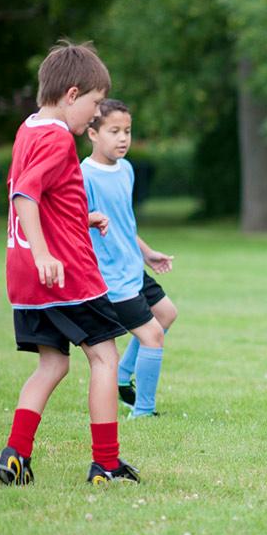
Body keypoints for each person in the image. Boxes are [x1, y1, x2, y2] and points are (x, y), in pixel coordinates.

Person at [0, 41, 139, 486]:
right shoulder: (58, 139)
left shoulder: (28, 129)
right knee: (104, 357)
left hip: (25, 277)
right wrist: (44, 251)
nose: (95, 117)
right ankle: (107, 464)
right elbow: (25, 195)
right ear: (72, 95)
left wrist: (81, 215)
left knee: (53, 364)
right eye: (94, 105)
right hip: (64, 272)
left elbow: (40, 192)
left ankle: (15, 454)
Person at [81, 99, 178, 419]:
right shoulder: (85, 176)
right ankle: (143, 410)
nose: (123, 138)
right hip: (111, 277)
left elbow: (125, 223)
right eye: (114, 131)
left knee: (166, 314)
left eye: (127, 131)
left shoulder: (126, 169)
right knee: (152, 336)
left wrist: (147, 253)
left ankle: (123, 376)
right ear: (93, 133)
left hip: (132, 266)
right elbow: (75, 223)